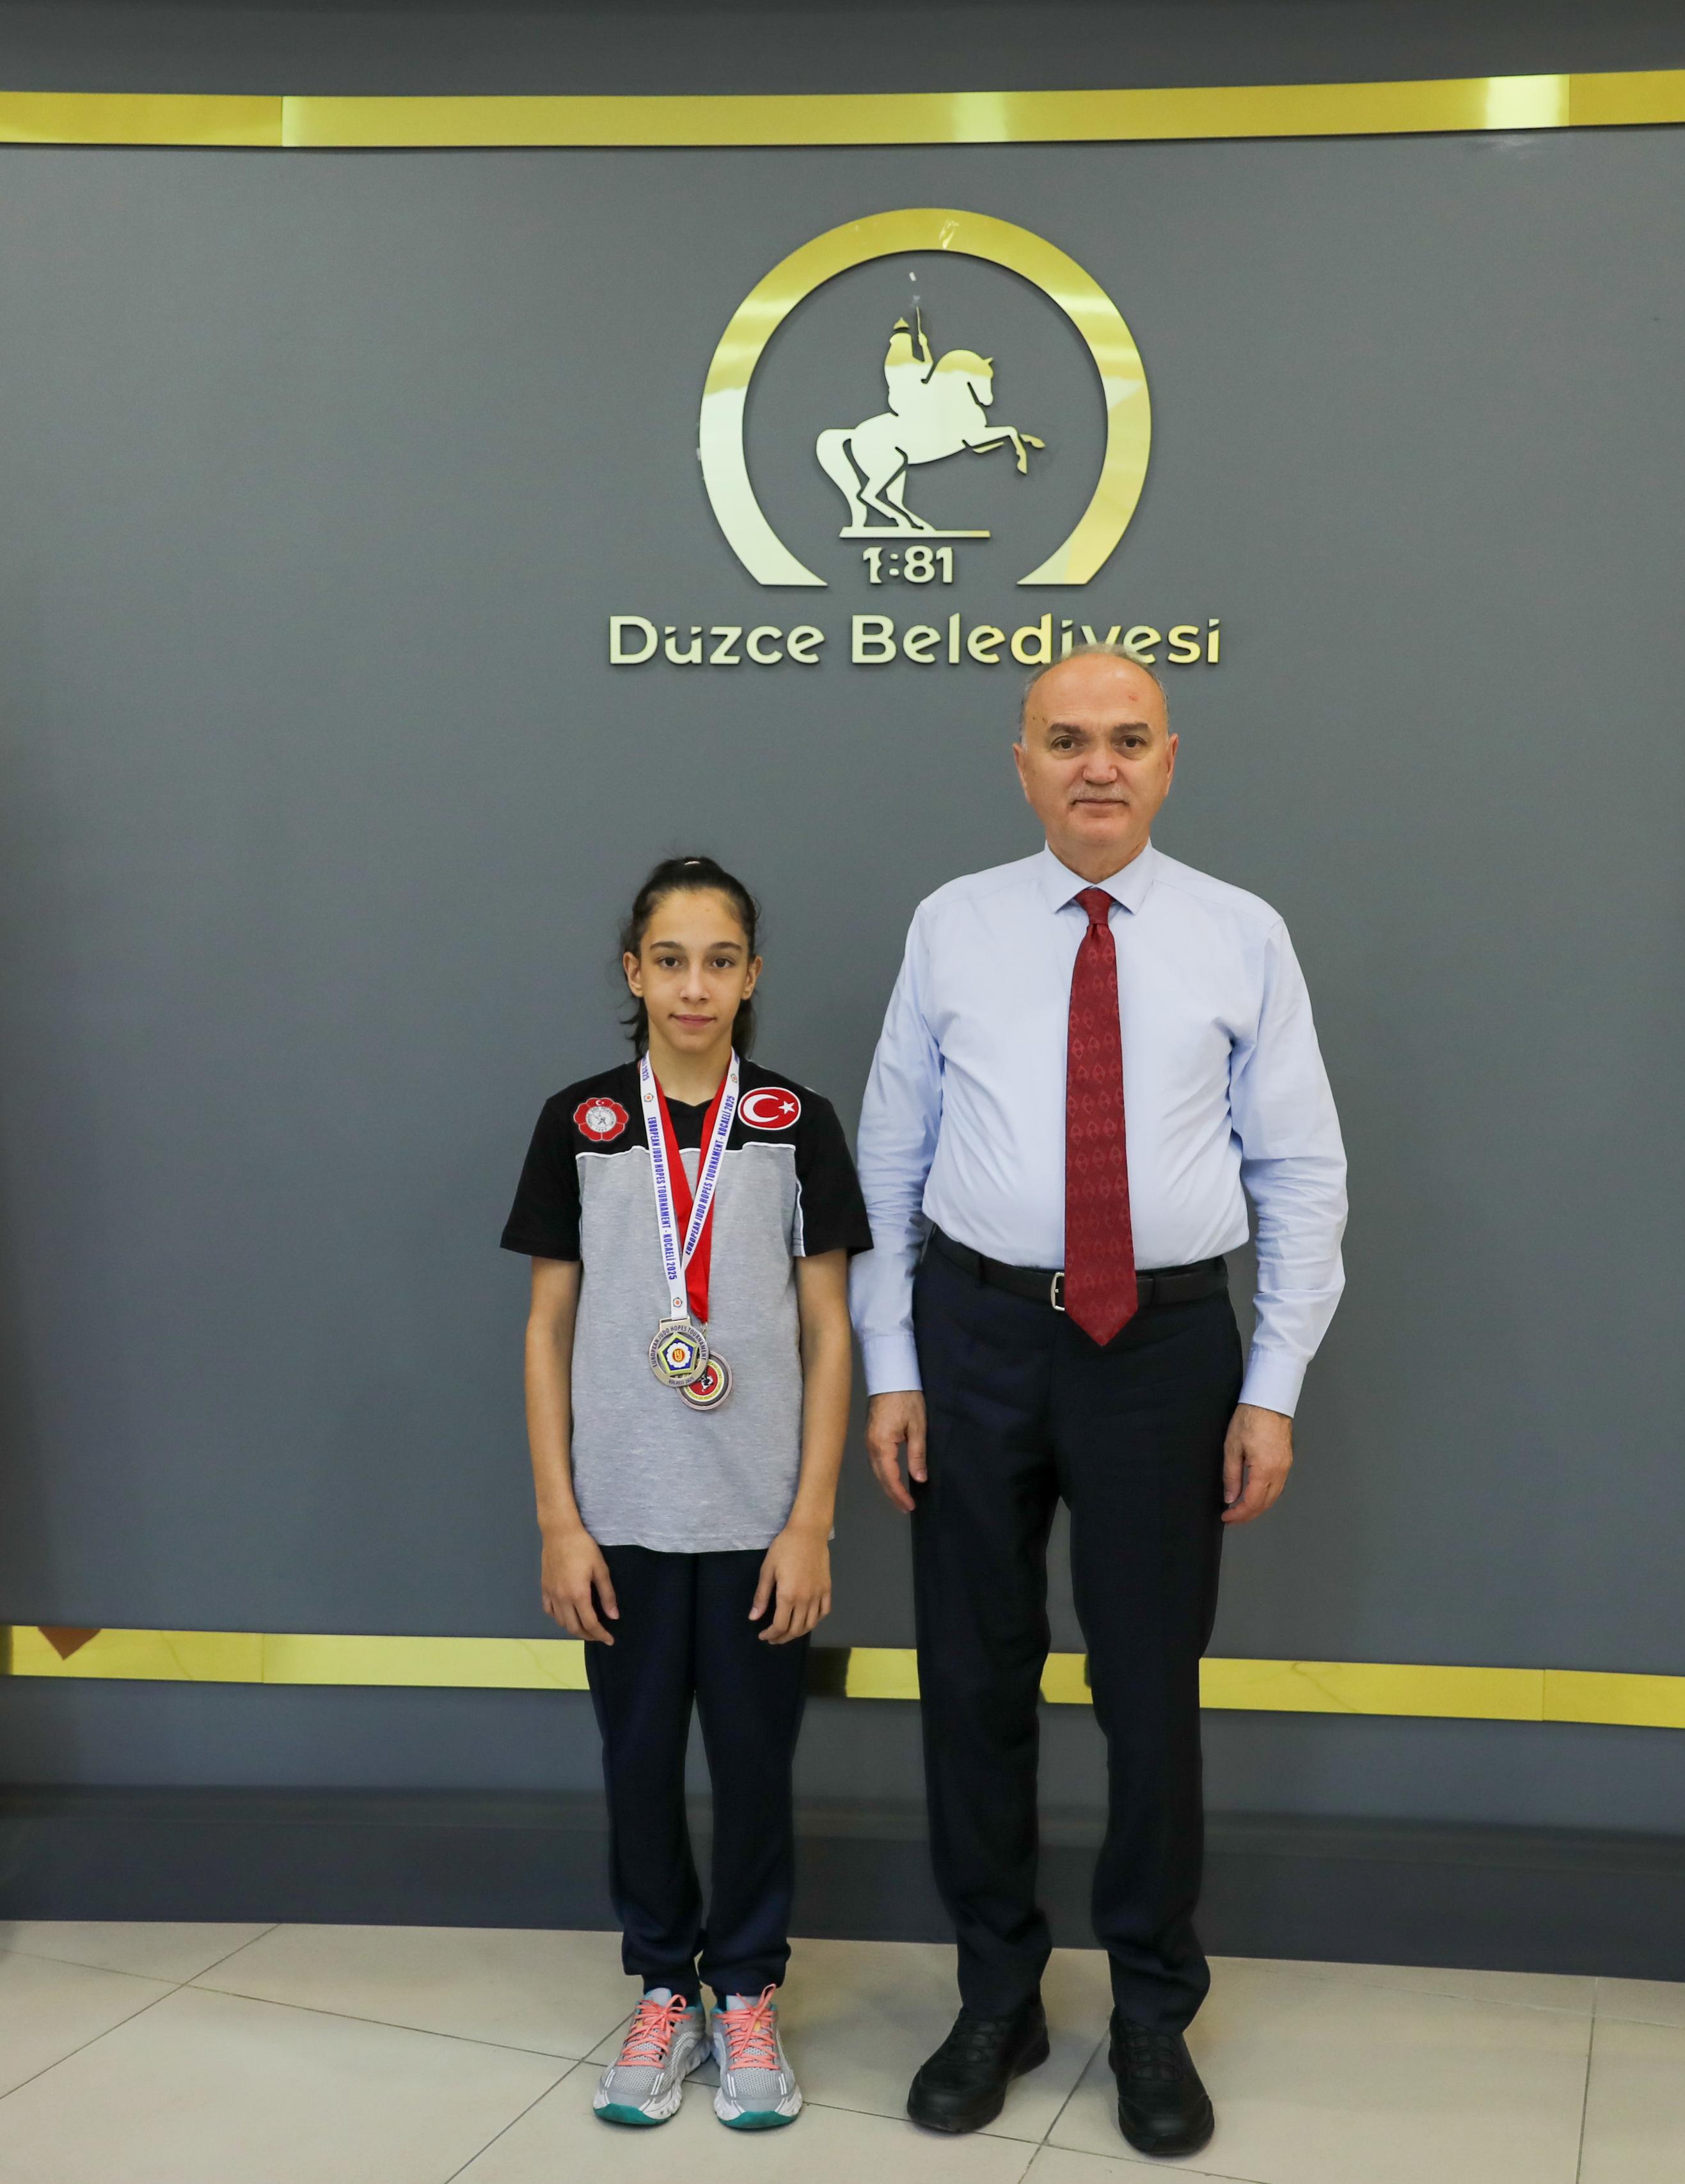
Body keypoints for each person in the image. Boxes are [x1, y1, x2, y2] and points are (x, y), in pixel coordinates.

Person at [851, 646, 1348, 2158]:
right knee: (974, 1681)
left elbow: (1299, 1169)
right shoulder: (951, 924)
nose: (1097, 766)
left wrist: (1272, 1385)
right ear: (1021, 764)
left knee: (1148, 1691)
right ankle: (995, 1995)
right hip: (977, 1335)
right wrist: (894, 1364)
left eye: (1127, 739)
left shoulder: (1240, 934)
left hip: (1165, 1352)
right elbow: (888, 1155)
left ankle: (1149, 2008)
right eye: (1065, 740)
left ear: (1170, 761)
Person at [501, 855, 871, 2131]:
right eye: (670, 961)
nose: (694, 986)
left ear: (752, 975)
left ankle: (748, 1990)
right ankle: (664, 1985)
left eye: (719, 961)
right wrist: (560, 1519)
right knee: (641, 1759)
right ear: (634, 971)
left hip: (763, 1522)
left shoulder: (795, 1122)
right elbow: (546, 1328)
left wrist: (812, 1519)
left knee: (758, 1764)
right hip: (620, 1519)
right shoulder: (581, 1123)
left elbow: (829, 1328)